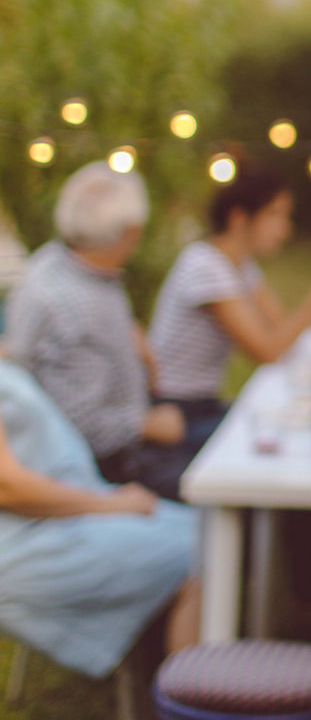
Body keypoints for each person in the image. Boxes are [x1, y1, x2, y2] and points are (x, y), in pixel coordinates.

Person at [148, 164, 311, 619]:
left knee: (305, 453)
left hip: (201, 407)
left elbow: (282, 336)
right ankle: (279, 600)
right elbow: (268, 350)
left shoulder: (238, 267)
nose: (285, 230)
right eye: (277, 216)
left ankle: (296, 596)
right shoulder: (204, 267)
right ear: (239, 219)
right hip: (176, 414)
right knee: (292, 459)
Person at [5, 162, 196, 500]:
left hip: (126, 439)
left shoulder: (56, 262)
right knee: (235, 488)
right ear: (130, 232)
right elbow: (76, 426)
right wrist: (147, 423)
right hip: (105, 471)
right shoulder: (72, 302)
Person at [0, 359, 199, 680]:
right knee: (204, 552)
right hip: (29, 545)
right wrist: (109, 504)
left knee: (209, 530)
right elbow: (7, 488)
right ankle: (196, 702)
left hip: (60, 519)